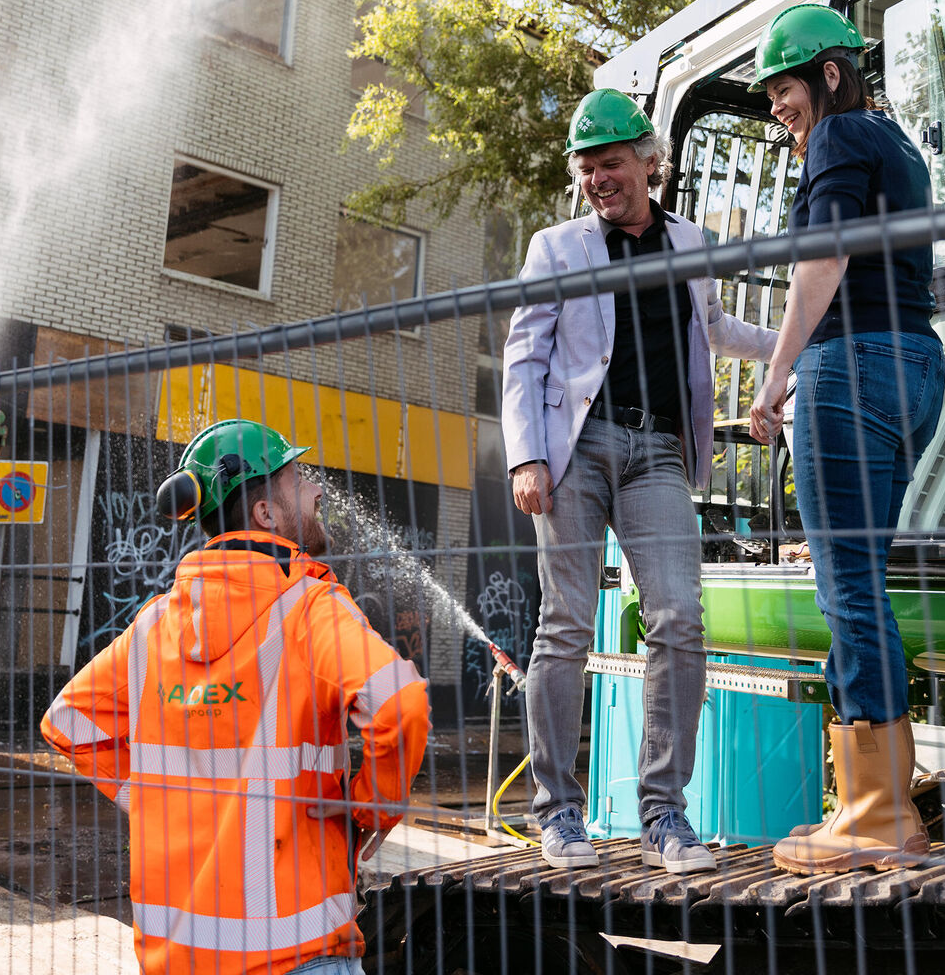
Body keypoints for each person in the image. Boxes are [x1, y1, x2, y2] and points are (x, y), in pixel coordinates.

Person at [41, 419, 430, 975]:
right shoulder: (308, 609)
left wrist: (146, 793)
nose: (318, 490)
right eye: (298, 480)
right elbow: (398, 702)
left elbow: (69, 723)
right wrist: (374, 807)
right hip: (299, 956)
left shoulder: (152, 628)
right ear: (265, 515)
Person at [503, 88, 777, 874]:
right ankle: (558, 814)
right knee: (566, 627)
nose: (599, 179)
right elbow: (524, 357)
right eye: (587, 168)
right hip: (577, 447)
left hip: (658, 450)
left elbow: (716, 331)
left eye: (612, 163)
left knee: (679, 618)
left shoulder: (690, 240)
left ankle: (665, 817)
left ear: (649, 163)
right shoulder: (555, 248)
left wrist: (794, 346)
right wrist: (527, 456)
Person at [744, 4, 945, 875]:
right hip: (916, 367)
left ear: (829, 73)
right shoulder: (901, 149)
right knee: (863, 582)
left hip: (852, 364)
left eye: (785, 88)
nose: (780, 108)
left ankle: (874, 810)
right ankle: (878, 799)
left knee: (847, 588)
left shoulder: (838, 136)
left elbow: (822, 259)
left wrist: (778, 371)